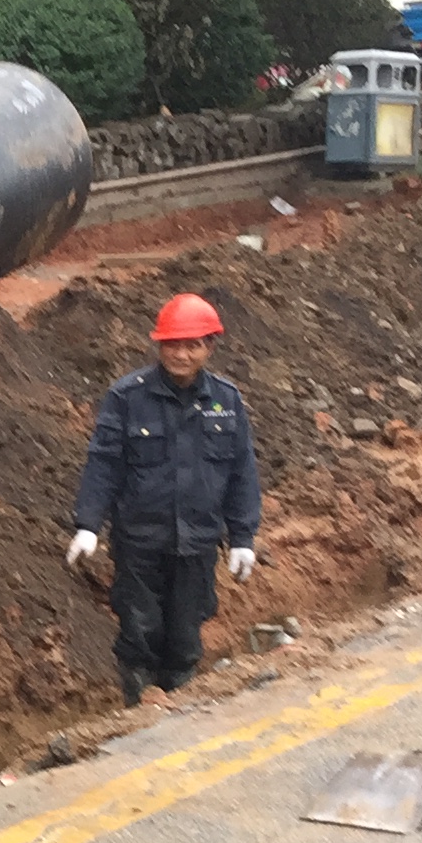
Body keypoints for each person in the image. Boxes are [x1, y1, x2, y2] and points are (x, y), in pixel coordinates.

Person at [68, 292, 261, 707]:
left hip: (197, 544)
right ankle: (140, 711)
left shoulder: (225, 402)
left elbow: (241, 471)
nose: (181, 354)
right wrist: (88, 525)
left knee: (185, 637)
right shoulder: (127, 398)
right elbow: (104, 463)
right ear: (159, 345)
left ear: (210, 347)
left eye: (192, 345)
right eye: (173, 344)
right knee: (140, 632)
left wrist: (243, 537)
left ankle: (180, 711)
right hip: (140, 543)